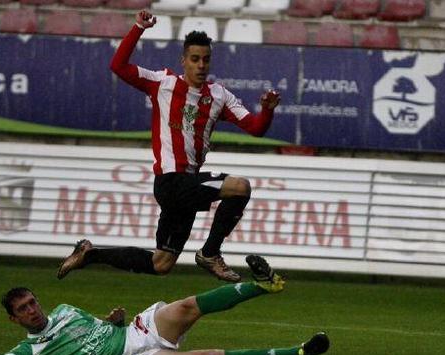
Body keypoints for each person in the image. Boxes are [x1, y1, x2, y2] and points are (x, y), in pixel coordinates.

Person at [56, 10, 281, 283]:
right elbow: (118, 65)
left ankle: (89, 255)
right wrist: (138, 27)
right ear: (183, 60)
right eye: (195, 59)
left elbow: (256, 128)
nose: (201, 65)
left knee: (161, 263)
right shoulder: (163, 83)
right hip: (171, 181)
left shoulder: (220, 96)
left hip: (187, 187)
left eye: (206, 60)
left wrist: (267, 110)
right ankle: (210, 253)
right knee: (241, 187)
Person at [0, 256, 329, 355]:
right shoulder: (29, 354)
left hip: (133, 332)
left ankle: (263, 285)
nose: (32, 309)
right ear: (14, 320)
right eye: (23, 309)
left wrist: (112, 320)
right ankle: (298, 352)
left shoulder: (63, 310)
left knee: (187, 305)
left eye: (32, 302)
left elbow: (95, 328)